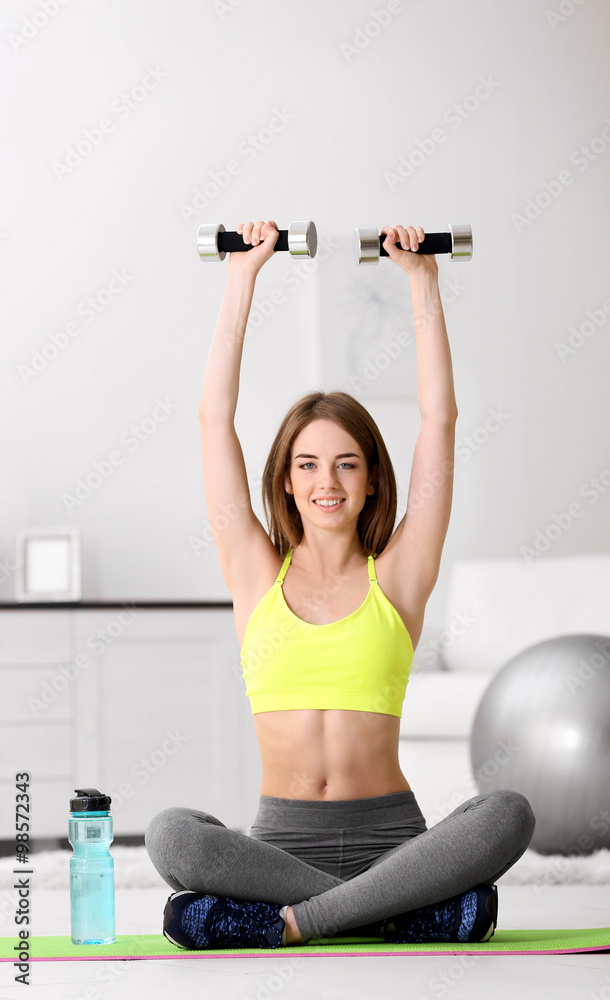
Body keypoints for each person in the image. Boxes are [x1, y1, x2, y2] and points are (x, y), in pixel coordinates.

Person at [145, 219, 536, 950]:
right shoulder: (255, 571)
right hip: (280, 848)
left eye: (347, 463)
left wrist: (424, 284)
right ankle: (394, 913)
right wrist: (242, 278)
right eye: (308, 464)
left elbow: (439, 419)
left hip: (396, 840)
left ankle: (301, 924)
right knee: (174, 837)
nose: (327, 481)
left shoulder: (401, 574)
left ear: (371, 479)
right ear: (286, 483)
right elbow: (212, 420)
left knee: (509, 811)